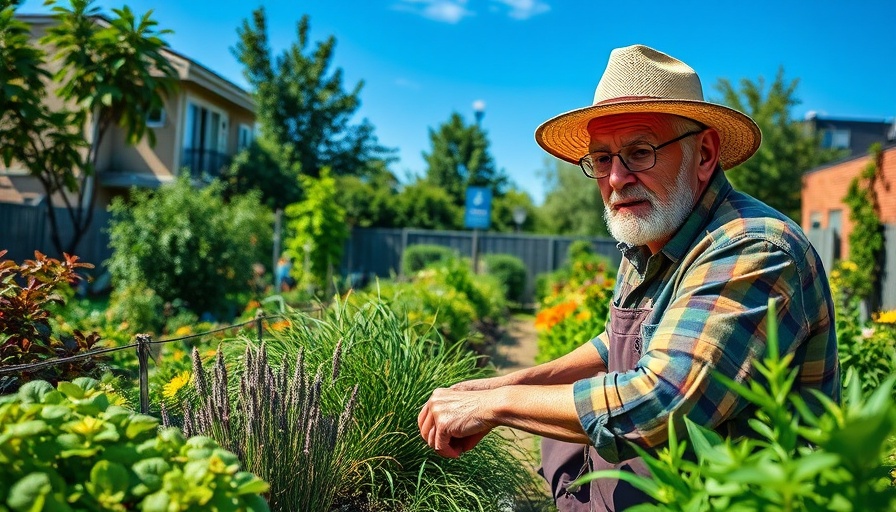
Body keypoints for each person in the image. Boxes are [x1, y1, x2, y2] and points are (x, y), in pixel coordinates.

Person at [417, 44, 840, 511]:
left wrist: (497, 407)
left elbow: (661, 403)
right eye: (601, 159)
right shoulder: (653, 234)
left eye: (640, 152)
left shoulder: (751, 248)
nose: (616, 178)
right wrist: (504, 385)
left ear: (704, 153)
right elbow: (618, 344)